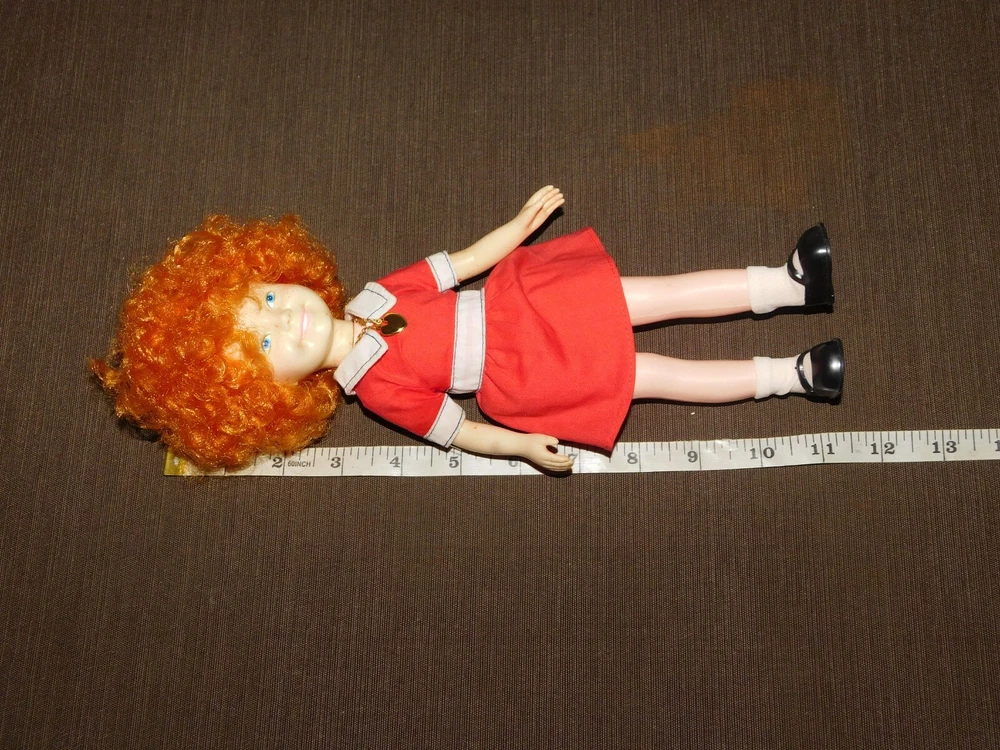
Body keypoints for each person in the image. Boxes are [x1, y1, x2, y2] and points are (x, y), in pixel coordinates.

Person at [92, 186, 843, 471]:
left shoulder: (382, 290)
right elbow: (460, 432)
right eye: (261, 345)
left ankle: (788, 284)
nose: (282, 318)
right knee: (653, 376)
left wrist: (518, 225)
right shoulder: (377, 390)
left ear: (276, 267)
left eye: (264, 296)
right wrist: (522, 445)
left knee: (654, 295)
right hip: (520, 374)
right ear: (267, 401)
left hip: (523, 304)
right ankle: (794, 377)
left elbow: (463, 263)